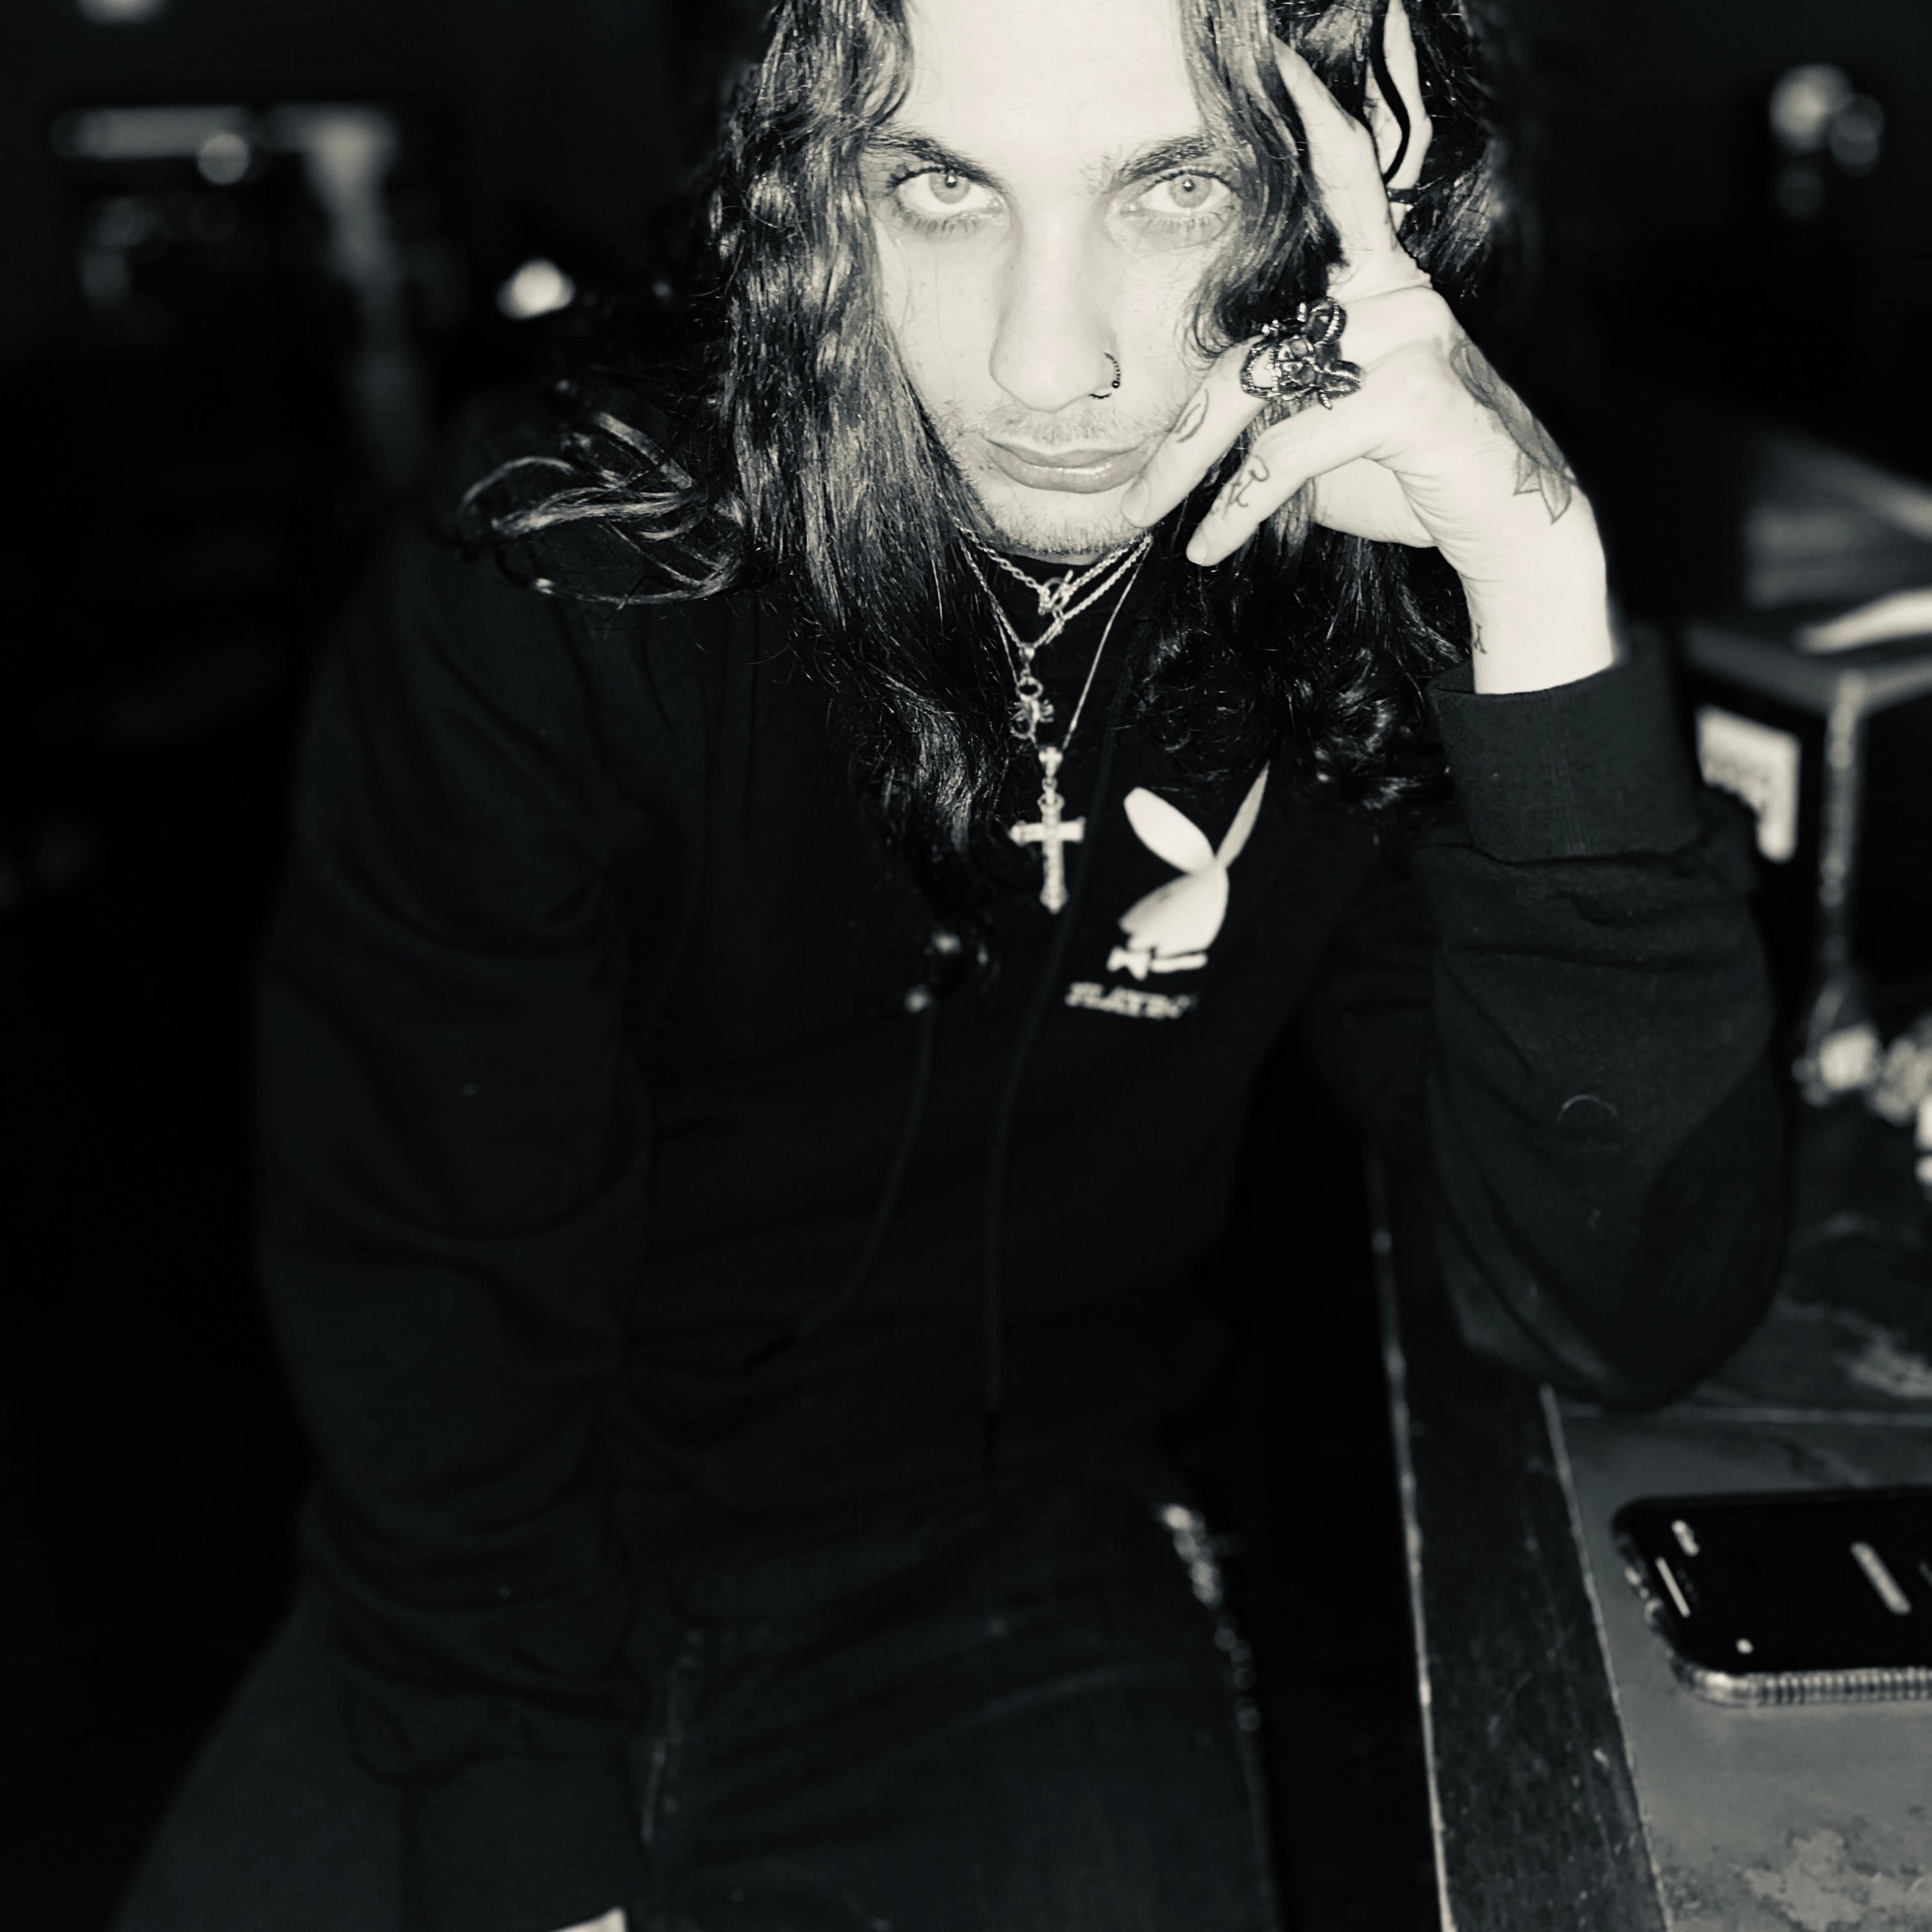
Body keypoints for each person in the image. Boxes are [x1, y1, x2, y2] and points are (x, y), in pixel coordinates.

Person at [111, 1, 1785, 1929]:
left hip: (1016, 1544)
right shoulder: (561, 570)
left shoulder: (1370, 602)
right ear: (818, 185)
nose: (1044, 362)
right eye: (942, 189)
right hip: (490, 1561)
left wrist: (1540, 598)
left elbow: (1621, 1306)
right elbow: (428, 1286)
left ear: (1377, 159)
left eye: (1177, 188)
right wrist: (527, 1847)